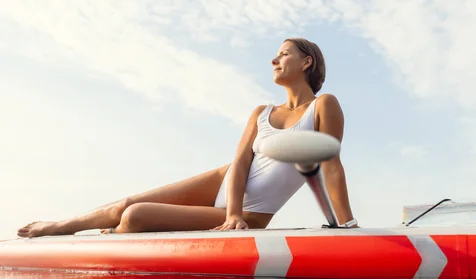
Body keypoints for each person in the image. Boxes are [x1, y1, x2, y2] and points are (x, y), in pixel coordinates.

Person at [17, 37, 357, 238]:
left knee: (135, 216)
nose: (274, 59)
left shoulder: (324, 106)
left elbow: (331, 167)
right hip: (227, 185)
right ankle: (60, 226)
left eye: (284, 53)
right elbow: (240, 165)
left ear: (307, 62)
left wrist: (347, 226)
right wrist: (230, 214)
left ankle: (115, 237)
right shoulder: (261, 112)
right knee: (126, 204)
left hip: (253, 212)